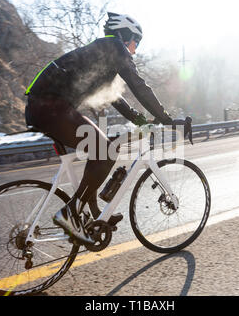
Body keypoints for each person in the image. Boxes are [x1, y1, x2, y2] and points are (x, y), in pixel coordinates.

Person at [25, 12, 175, 244]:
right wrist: (165, 117)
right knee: (106, 152)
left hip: (45, 107)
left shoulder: (103, 54)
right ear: (125, 36)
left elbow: (114, 97)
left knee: (99, 152)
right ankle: (70, 213)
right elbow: (139, 86)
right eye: (137, 41)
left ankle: (91, 215)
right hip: (51, 107)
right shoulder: (115, 47)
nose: (136, 48)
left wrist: (138, 119)